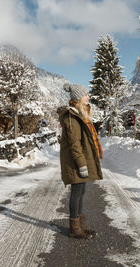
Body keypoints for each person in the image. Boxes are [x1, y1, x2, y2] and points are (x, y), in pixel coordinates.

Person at [57, 83, 103, 239]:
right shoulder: (72, 117)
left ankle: (81, 226)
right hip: (76, 162)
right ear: (77, 98)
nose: (88, 97)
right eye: (85, 95)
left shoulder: (80, 114)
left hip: (81, 160)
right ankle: (74, 228)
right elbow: (75, 144)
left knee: (81, 192)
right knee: (76, 193)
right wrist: (82, 164)